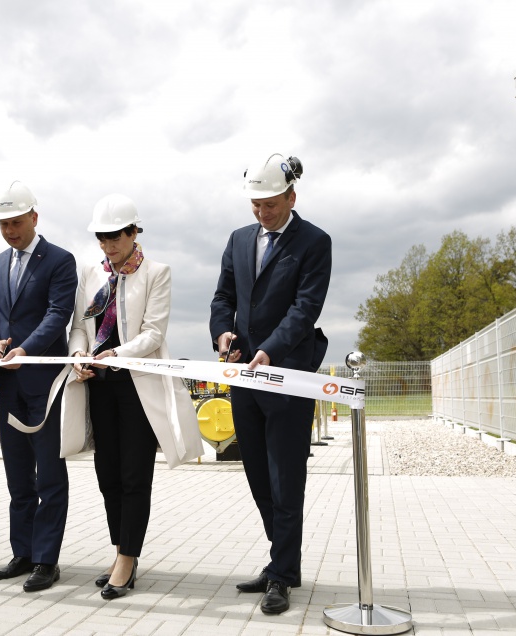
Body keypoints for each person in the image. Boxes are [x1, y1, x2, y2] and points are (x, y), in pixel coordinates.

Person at [61, 194, 204, 600]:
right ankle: (120, 550)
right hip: (98, 384)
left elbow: (154, 333)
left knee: (134, 475)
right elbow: (79, 327)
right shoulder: (91, 273)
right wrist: (78, 356)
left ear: (133, 232)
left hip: (137, 385)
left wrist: (117, 355)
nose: (108, 246)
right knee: (107, 474)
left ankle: (128, 558)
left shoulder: (157, 273)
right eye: (101, 238)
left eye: (115, 237)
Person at [209, 154, 331, 615]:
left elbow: (305, 308)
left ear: (291, 197)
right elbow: (223, 297)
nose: (262, 212)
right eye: (256, 205)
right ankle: (282, 560)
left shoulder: (314, 242)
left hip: (287, 373)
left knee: (286, 478)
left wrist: (271, 349)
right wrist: (222, 334)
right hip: (244, 374)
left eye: (271, 205)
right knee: (258, 475)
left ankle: (281, 573)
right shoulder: (238, 240)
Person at [0, 181, 77, 592]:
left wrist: (26, 349)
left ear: (34, 218)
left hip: (44, 382)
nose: (10, 231)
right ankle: (22, 553)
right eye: (3, 224)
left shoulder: (59, 260)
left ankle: (46, 560)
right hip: (7, 382)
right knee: (18, 475)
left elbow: (58, 313)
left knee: (49, 475)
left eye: (16, 223)